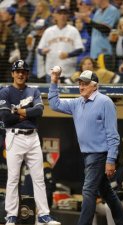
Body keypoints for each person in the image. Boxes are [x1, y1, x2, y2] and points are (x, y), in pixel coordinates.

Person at [48, 68, 123, 225]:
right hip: (88, 155)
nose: (81, 87)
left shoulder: (105, 102)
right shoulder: (76, 103)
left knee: (88, 191)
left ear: (95, 86)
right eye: (80, 83)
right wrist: (54, 81)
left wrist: (111, 159)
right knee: (106, 192)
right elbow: (54, 104)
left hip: (100, 154)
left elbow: (113, 134)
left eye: (85, 84)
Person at [0, 59, 61, 225]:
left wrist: (19, 111)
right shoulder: (5, 92)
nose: (20, 74)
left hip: (33, 137)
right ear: (13, 73)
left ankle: (43, 215)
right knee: (12, 178)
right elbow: (5, 117)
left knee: (39, 177)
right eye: (17, 71)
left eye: (23, 71)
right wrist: (27, 114)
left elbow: (39, 110)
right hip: (14, 136)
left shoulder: (33, 91)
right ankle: (11, 216)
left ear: (27, 74)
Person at [38, 5, 84, 83]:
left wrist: (68, 55)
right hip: (51, 72)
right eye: (60, 13)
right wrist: (43, 51)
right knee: (52, 94)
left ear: (68, 16)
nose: (62, 16)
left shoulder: (73, 30)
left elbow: (80, 49)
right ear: (55, 15)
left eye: (64, 14)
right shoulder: (48, 31)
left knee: (69, 95)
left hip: (69, 72)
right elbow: (39, 49)